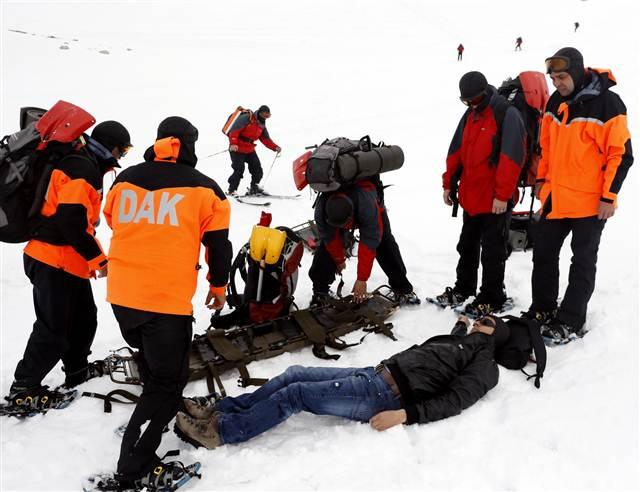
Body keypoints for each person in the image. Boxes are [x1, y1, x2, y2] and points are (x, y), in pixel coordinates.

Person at [102, 116, 233, 488]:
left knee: (151, 366)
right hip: (165, 302)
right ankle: (134, 467)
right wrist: (219, 285)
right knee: (167, 381)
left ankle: (148, 418)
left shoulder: (125, 179)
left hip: (123, 296)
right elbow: (218, 246)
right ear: (189, 145)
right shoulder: (206, 189)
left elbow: (113, 220)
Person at [174, 314, 509, 449]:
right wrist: (461, 328)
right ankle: (222, 411)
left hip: (385, 395)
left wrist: (404, 415)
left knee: (297, 394)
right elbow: (443, 356)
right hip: (372, 373)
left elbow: (455, 400)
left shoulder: (485, 365)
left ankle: (222, 432)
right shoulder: (463, 343)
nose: (481, 318)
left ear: (497, 335)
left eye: (488, 320)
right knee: (294, 374)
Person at [3, 121, 131, 412]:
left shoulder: (85, 163)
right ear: (111, 147)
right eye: (123, 149)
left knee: (84, 319)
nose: (122, 156)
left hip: (65, 259)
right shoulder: (82, 168)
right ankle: (23, 389)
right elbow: (70, 220)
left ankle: (76, 370)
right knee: (53, 329)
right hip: (52, 258)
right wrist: (98, 258)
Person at [526, 47, 633, 343]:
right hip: (556, 198)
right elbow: (545, 148)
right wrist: (542, 183)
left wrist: (608, 197)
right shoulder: (554, 102)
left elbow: (621, 156)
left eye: (562, 76)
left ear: (576, 72)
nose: (557, 82)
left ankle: (570, 320)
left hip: (590, 202)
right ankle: (543, 309)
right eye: (554, 77)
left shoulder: (608, 104)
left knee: (582, 261)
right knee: (544, 254)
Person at [438, 71, 526, 316]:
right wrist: (449, 184)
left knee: (493, 250)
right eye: (465, 101)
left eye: (473, 100)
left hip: (495, 200)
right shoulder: (471, 114)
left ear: (484, 92)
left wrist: (503, 195)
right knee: (466, 245)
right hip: (471, 196)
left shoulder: (506, 114)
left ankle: (492, 296)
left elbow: (512, 158)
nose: (470, 105)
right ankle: (464, 288)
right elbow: (456, 151)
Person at [308, 178, 420, 306]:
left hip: (372, 205)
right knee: (326, 248)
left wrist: (362, 279)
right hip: (340, 212)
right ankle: (320, 292)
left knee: (383, 244)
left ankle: (403, 289)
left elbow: (369, 244)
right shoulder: (321, 212)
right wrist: (338, 260)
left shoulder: (367, 207)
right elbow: (330, 240)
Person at [226, 105, 281, 196]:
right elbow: (234, 131)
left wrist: (275, 147)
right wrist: (233, 144)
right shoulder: (247, 118)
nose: (266, 118)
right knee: (239, 169)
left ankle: (254, 187)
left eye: (268, 116)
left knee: (257, 169)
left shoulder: (262, 124)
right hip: (237, 148)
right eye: (265, 115)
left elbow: (265, 139)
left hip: (249, 149)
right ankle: (232, 190)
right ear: (260, 112)